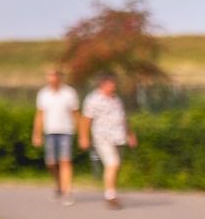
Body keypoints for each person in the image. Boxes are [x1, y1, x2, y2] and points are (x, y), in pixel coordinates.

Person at [80, 74, 135, 208]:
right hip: (102, 137)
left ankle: (111, 191)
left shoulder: (116, 100)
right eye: (111, 84)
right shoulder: (93, 99)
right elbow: (86, 119)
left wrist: (130, 134)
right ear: (103, 85)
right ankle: (110, 196)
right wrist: (84, 137)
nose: (113, 87)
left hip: (118, 137)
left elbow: (123, 118)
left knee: (115, 166)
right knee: (113, 164)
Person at [33, 65, 81, 204]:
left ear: (59, 77)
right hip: (50, 131)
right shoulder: (43, 94)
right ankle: (58, 184)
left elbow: (75, 113)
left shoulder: (69, 93)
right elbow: (40, 115)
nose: (51, 78)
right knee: (51, 163)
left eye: (54, 75)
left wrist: (81, 132)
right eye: (49, 75)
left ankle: (67, 191)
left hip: (66, 131)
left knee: (65, 161)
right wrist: (36, 133)